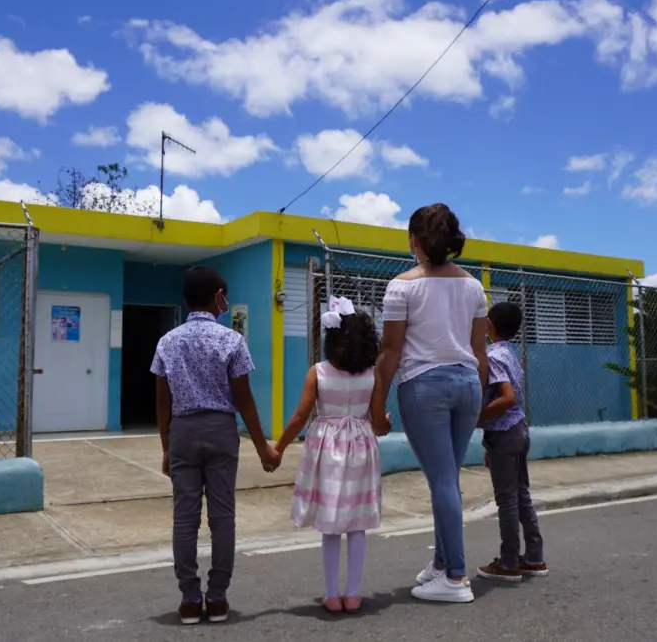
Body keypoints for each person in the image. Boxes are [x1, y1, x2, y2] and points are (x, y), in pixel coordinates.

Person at [371, 203, 489, 604]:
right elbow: (480, 352)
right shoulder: (474, 286)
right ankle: (441, 564)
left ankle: (455, 577)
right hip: (468, 384)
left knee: (441, 480)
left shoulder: (402, 286)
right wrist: (481, 402)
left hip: (425, 387)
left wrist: (375, 406)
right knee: (448, 478)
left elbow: (389, 352)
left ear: (415, 241)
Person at [151, 265, 279, 625]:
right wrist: (262, 447)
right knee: (223, 517)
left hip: (183, 432)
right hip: (222, 431)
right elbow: (244, 399)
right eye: (225, 294)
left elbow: (162, 401)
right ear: (219, 296)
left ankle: (190, 599)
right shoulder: (232, 340)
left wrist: (166, 447)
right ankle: (219, 598)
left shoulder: (167, 341)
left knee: (185, 517)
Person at [273, 296, 386, 615]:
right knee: (357, 523)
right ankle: (353, 593)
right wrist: (386, 422)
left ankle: (332, 595)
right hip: (361, 446)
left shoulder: (318, 372)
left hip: (327, 447)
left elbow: (299, 417)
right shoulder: (371, 374)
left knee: (331, 524)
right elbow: (378, 422)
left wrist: (278, 448)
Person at [473, 301, 548, 582]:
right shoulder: (509, 354)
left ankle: (508, 563)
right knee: (520, 494)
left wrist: (478, 416)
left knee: (506, 500)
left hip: (505, 434)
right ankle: (534, 557)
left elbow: (507, 398)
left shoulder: (492, 357)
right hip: (517, 431)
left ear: (489, 324)